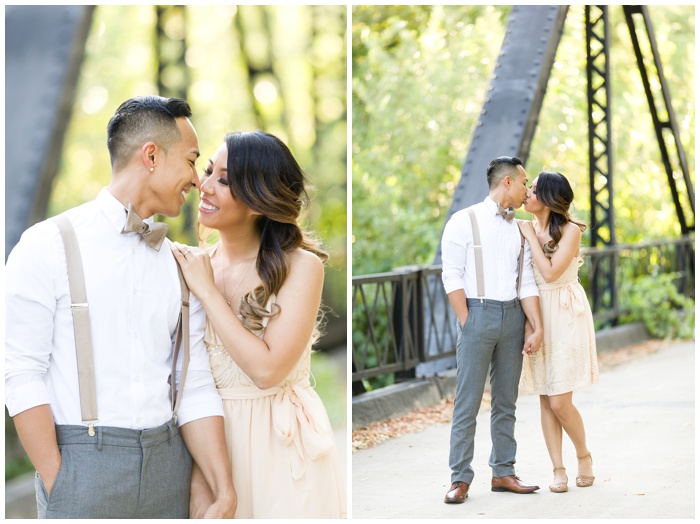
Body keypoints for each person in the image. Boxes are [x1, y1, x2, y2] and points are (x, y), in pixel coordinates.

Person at [5, 95, 236, 519]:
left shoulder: (181, 264)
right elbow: (21, 374)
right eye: (190, 161)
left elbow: (195, 383)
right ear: (151, 155)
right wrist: (60, 480)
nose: (196, 180)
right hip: (80, 472)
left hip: (171, 469)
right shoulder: (47, 245)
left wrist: (222, 486)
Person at [170, 130, 346, 518]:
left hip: (282, 449)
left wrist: (209, 294)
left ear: (259, 198)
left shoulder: (301, 266)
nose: (205, 185)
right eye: (208, 171)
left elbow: (267, 370)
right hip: (212, 449)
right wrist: (201, 477)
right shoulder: (196, 268)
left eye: (225, 179)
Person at [440, 155, 544, 504]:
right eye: (525, 181)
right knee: (467, 402)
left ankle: (503, 472)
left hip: (513, 317)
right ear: (508, 182)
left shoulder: (520, 227)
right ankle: (460, 478)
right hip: (477, 314)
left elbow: (526, 280)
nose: (529, 188)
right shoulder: (463, 221)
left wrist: (535, 325)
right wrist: (467, 321)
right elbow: (451, 276)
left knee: (506, 401)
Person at [517, 171, 598, 493]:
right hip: (537, 313)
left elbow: (550, 274)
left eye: (534, 189)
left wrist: (529, 238)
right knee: (545, 396)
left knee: (560, 401)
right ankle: (558, 469)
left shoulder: (570, 230)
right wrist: (529, 324)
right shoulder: (523, 227)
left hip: (565, 313)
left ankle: (584, 456)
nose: (527, 193)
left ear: (549, 198)